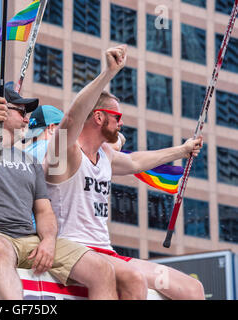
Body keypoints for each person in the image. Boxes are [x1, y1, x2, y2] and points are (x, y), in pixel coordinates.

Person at [44, 45, 205, 300]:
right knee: (132, 277)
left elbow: (136, 162)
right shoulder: (65, 153)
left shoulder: (105, 156)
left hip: (107, 253)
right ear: (98, 117)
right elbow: (71, 121)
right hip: (74, 251)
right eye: (117, 116)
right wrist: (108, 73)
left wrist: (182, 150)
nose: (122, 122)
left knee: (193, 290)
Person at [0, 83, 119, 300]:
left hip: (28, 239)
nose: (26, 119)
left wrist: (48, 240)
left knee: (102, 269)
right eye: (21, 111)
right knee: (0, 249)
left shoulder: (30, 161)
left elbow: (43, 211)